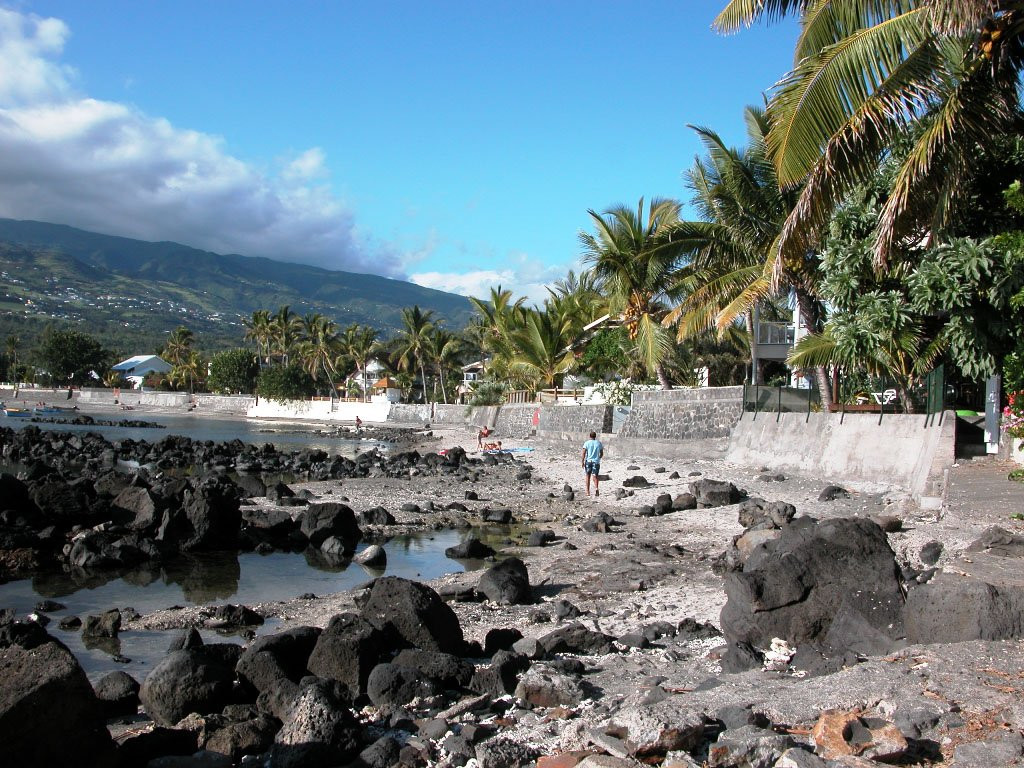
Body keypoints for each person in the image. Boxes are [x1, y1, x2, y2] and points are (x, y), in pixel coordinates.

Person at [581, 430, 604, 496]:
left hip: (589, 461)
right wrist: (598, 458)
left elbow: (583, 453)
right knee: (595, 476)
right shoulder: (599, 443)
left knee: (588, 476)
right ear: (595, 436)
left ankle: (588, 492)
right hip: (596, 462)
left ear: (590, 436)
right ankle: (596, 488)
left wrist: (582, 462)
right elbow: (601, 453)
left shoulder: (587, 443)